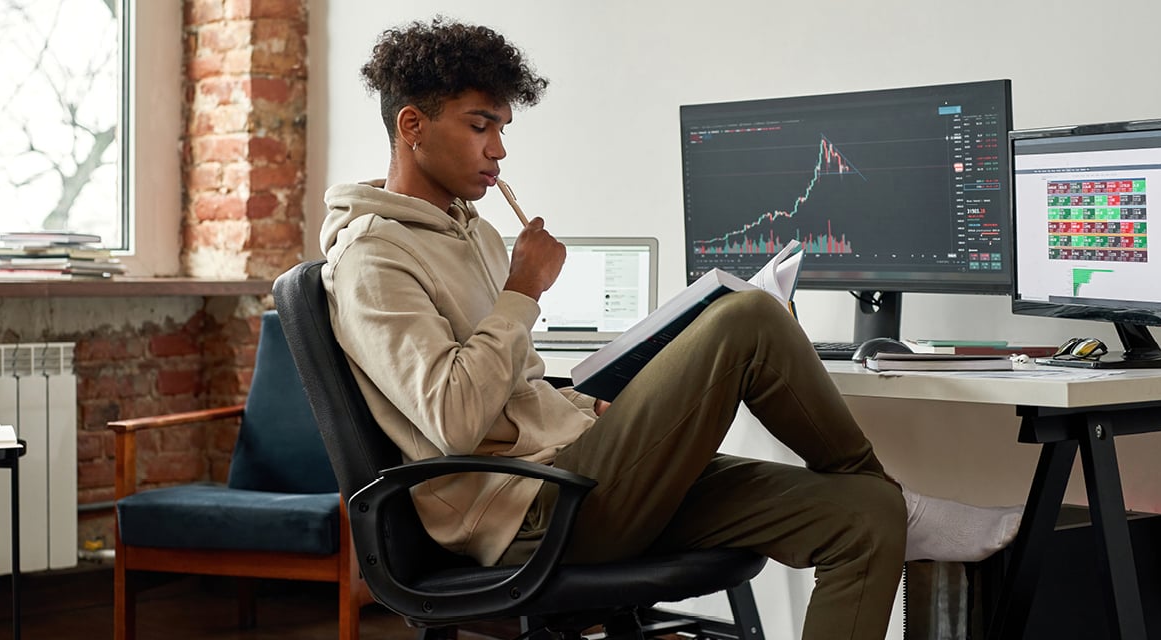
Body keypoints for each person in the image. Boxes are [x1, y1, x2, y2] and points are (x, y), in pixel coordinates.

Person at [319, 17, 1020, 640]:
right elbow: (453, 419)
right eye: (480, 125)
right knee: (744, 315)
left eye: (503, 127)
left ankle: (891, 502)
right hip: (536, 517)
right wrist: (523, 290)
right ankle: (905, 498)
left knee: (864, 518)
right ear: (413, 127)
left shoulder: (467, 231)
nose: (498, 149)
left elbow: (515, 391)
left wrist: (587, 405)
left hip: (583, 475)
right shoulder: (374, 258)